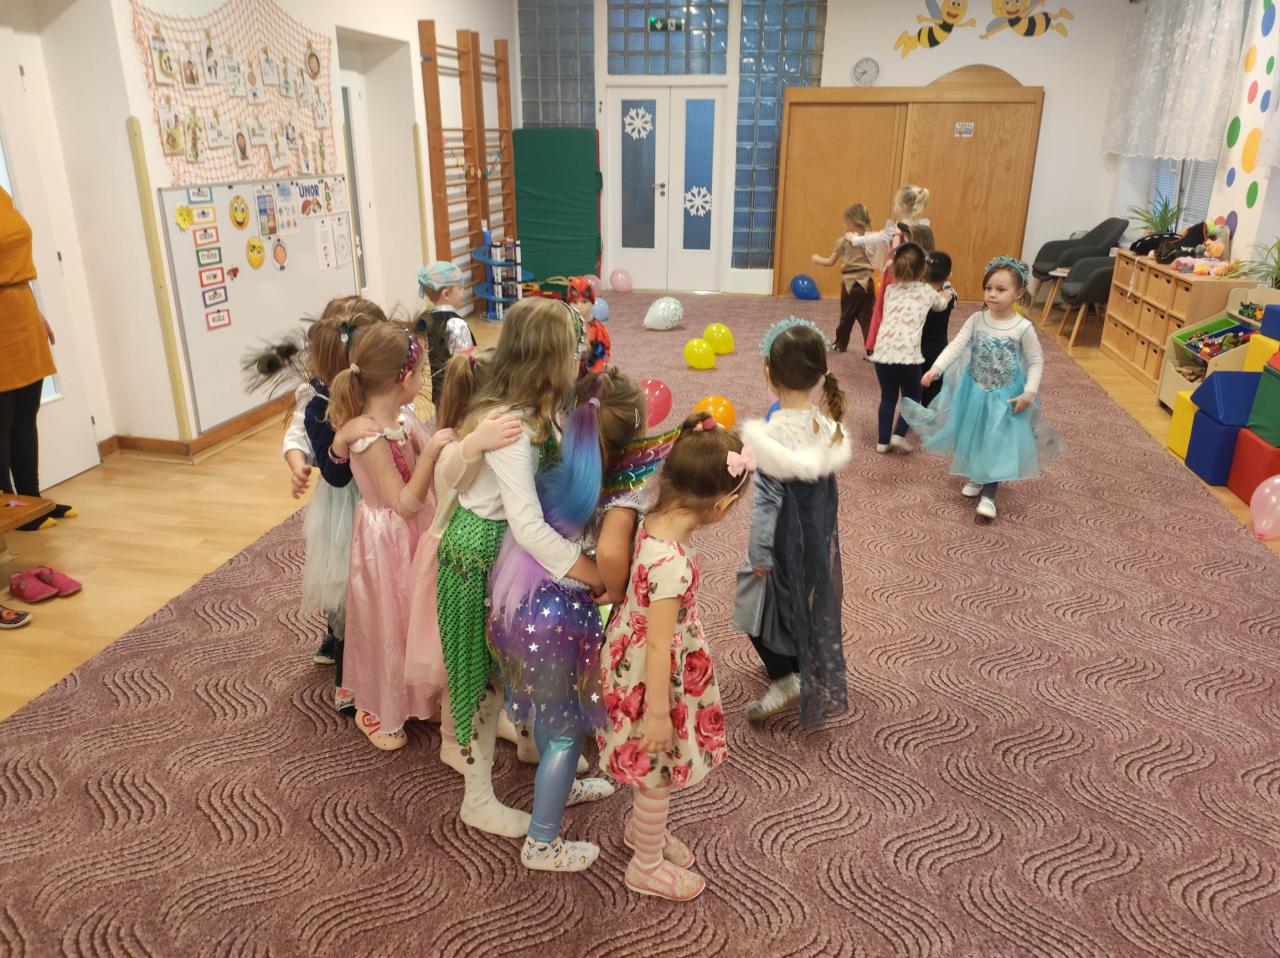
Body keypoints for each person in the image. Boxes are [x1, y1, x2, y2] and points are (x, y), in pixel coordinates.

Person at [436, 297, 605, 838]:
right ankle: (477, 798)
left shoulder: (536, 413)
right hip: (479, 561)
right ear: (549, 359)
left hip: (507, 558)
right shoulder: (513, 430)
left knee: (521, 661)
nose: (580, 360)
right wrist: (587, 570)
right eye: (573, 351)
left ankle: (536, 749)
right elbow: (528, 525)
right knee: (480, 683)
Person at [486, 370, 648, 872]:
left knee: (553, 714)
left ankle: (562, 785)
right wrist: (614, 589)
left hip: (525, 604)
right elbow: (613, 563)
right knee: (566, 733)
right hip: (557, 621)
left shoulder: (560, 468)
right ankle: (541, 842)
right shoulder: (617, 492)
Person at [598, 413, 750, 902]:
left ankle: (644, 830)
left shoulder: (653, 518)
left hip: (633, 653)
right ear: (722, 505)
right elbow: (660, 644)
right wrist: (659, 713)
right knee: (657, 769)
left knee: (650, 770)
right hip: (653, 678)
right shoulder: (672, 566)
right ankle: (645, 865)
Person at [327, 323, 449, 750]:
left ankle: (418, 693)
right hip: (388, 541)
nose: (422, 381)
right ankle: (378, 706)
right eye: (421, 373)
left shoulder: (402, 417)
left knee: (417, 614)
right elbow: (403, 504)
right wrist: (430, 454)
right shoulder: (369, 438)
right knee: (388, 619)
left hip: (413, 533)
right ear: (405, 378)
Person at [734, 319, 850, 726]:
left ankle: (785, 679)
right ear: (820, 377)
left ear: (769, 374)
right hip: (815, 542)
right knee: (800, 605)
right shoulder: (827, 425)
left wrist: (758, 555)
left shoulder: (772, 437)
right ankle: (799, 669)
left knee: (753, 607)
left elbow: (767, 503)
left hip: (782, 544)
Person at [903, 256, 1063, 521]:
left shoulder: (1022, 328)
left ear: (1018, 293)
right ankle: (978, 476)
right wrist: (936, 368)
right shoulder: (977, 319)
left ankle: (989, 494)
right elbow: (956, 345)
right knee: (977, 435)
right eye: (988, 288)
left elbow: (1036, 362)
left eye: (1001, 289)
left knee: (996, 438)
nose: (992, 294)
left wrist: (1029, 393)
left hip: (1006, 395)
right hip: (974, 390)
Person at [280, 297, 385, 677]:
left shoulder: (377, 389)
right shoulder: (317, 399)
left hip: (378, 493)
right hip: (344, 505)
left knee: (375, 571)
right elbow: (299, 437)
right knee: (341, 573)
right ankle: (340, 641)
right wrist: (298, 464)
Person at [0, 186, 71, 532]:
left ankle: (33, 500)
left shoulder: (2, 195)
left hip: (22, 311)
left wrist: (36, 314)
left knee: (26, 416)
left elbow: (15, 260)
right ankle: (11, 511)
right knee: (1, 422)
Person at [871, 243, 948, 454]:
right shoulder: (927, 291)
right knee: (912, 396)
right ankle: (898, 434)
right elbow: (941, 306)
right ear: (924, 270)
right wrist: (946, 295)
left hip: (882, 355)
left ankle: (882, 441)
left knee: (887, 397)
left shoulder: (890, 290)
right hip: (908, 357)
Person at [864, 184, 932, 355]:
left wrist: (891, 262)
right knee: (909, 308)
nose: (893, 206)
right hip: (915, 273)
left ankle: (885, 343)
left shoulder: (898, 228)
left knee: (888, 308)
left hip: (896, 273)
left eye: (895, 203)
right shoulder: (921, 226)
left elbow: (895, 252)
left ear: (902, 206)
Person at [810, 204, 885, 354]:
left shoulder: (844, 241)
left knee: (846, 317)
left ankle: (840, 344)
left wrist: (817, 259)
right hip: (867, 283)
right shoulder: (870, 240)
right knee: (867, 318)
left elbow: (830, 262)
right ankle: (872, 348)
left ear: (852, 222)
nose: (845, 225)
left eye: (846, 222)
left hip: (851, 285)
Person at [414, 261, 475, 413]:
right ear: (446, 294)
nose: (463, 292)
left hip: (438, 390)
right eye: (460, 288)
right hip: (459, 392)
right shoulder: (456, 324)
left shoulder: (427, 320)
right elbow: (466, 362)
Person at [920, 251, 957, 408]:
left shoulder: (917, 295)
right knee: (934, 386)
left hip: (916, 346)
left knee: (913, 386)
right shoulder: (950, 295)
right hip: (937, 347)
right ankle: (929, 413)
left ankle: (912, 413)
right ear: (948, 275)